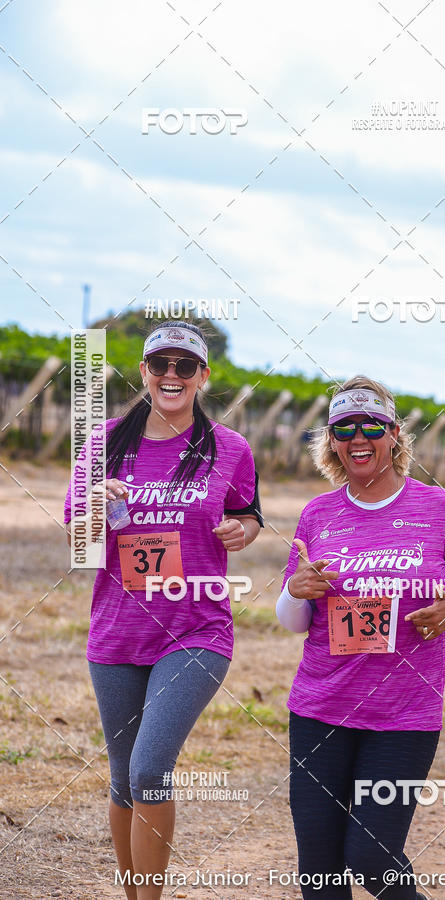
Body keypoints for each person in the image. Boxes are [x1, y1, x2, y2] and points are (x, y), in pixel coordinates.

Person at [277, 375, 445, 900]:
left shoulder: (439, 508)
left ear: (394, 434)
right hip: (319, 707)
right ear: (331, 440)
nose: (358, 437)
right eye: (344, 428)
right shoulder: (317, 514)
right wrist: (295, 589)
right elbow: (292, 620)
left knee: (372, 857)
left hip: (404, 713)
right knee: (320, 871)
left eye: (371, 426)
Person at [64, 320, 263, 900]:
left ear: (203, 376)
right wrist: (97, 509)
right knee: (124, 780)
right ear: (145, 372)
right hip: (117, 632)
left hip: (196, 629)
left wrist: (241, 530)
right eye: (160, 364)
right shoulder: (103, 443)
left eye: (185, 366)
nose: (171, 375)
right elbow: (78, 541)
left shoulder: (230, 448)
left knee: (150, 770)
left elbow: (249, 514)